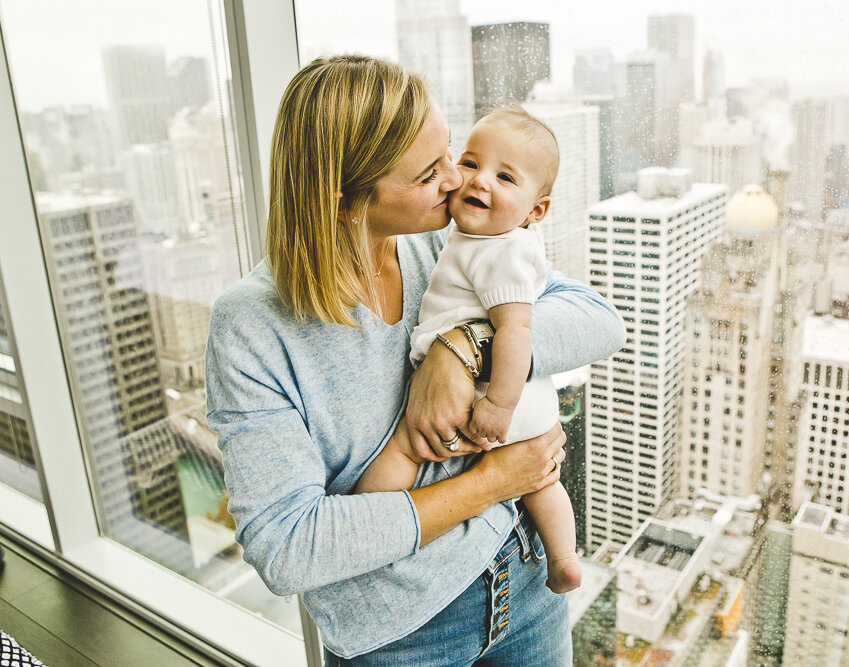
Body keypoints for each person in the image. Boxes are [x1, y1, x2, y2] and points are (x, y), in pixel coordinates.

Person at [205, 55, 625, 666]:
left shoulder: (446, 236)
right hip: (401, 637)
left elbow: (597, 320)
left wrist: (463, 350)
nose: (459, 180)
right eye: (431, 172)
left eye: (451, 152)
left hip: (526, 575)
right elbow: (286, 546)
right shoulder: (253, 326)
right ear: (346, 201)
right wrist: (490, 484)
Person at [356, 107, 581, 594]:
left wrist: (493, 397)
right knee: (544, 484)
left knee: (408, 443)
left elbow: (519, 331)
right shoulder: (481, 235)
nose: (471, 180)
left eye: (505, 177)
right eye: (471, 163)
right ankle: (564, 559)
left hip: (491, 396)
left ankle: (367, 515)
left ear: (535, 210)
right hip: (524, 402)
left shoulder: (503, 251)